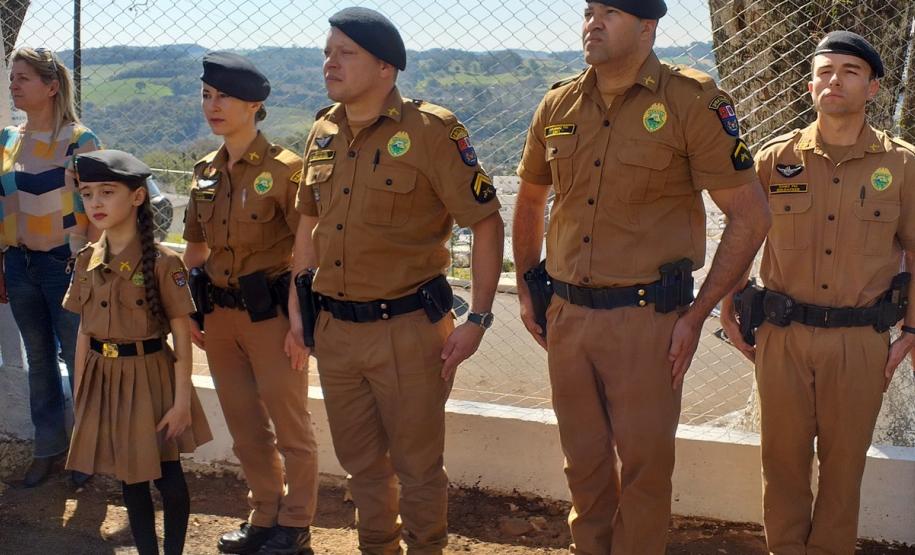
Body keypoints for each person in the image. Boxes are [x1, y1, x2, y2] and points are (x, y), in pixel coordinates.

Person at [512, 1, 772, 552]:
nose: (593, 23)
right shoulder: (558, 102)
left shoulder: (691, 101)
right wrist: (529, 289)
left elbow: (751, 214)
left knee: (645, 474)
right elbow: (531, 198)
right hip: (569, 318)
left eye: (611, 12)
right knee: (582, 467)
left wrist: (698, 314)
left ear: (648, 27)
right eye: (588, 11)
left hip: (648, 323)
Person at [287, 7, 504, 554]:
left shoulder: (432, 131)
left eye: (345, 53)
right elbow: (307, 223)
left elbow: (485, 221)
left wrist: (478, 317)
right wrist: (297, 308)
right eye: (327, 51)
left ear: (386, 68)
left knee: (418, 467)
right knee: (361, 467)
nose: (329, 62)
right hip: (336, 329)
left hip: (406, 330)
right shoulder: (323, 130)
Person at [720, 31, 915, 554]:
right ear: (810, 85)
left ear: (874, 87)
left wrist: (911, 330)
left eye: (850, 71)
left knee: (844, 468)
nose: (835, 80)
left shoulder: (901, 165)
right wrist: (728, 302)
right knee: (781, 464)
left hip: (859, 342)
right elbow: (743, 236)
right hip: (783, 337)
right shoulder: (774, 159)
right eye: (825, 71)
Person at [182, 51, 318, 555]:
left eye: (225, 97)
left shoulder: (287, 171)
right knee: (243, 424)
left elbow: (309, 253)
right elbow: (196, 251)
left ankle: (296, 522)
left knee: (290, 425)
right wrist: (189, 308)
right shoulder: (204, 172)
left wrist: (300, 325)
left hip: (273, 317)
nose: (212, 105)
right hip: (218, 317)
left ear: (254, 105)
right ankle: (263, 515)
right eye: (207, 95)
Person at [63, 149, 212, 554]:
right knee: (130, 479)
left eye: (107, 192)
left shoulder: (165, 263)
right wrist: (81, 395)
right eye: (87, 193)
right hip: (105, 379)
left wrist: (182, 402)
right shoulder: (84, 262)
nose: (95, 203)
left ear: (137, 197)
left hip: (152, 378)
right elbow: (82, 332)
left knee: (168, 477)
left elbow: (181, 335)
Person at [0, 46, 100, 488]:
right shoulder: (6, 139)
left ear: (51, 86)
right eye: (12, 77)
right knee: (38, 360)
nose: (13, 85)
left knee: (78, 361)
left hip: (66, 265)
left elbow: (100, 210)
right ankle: (47, 449)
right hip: (18, 264)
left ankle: (87, 453)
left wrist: (89, 265)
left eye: (23, 77)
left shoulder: (80, 140)